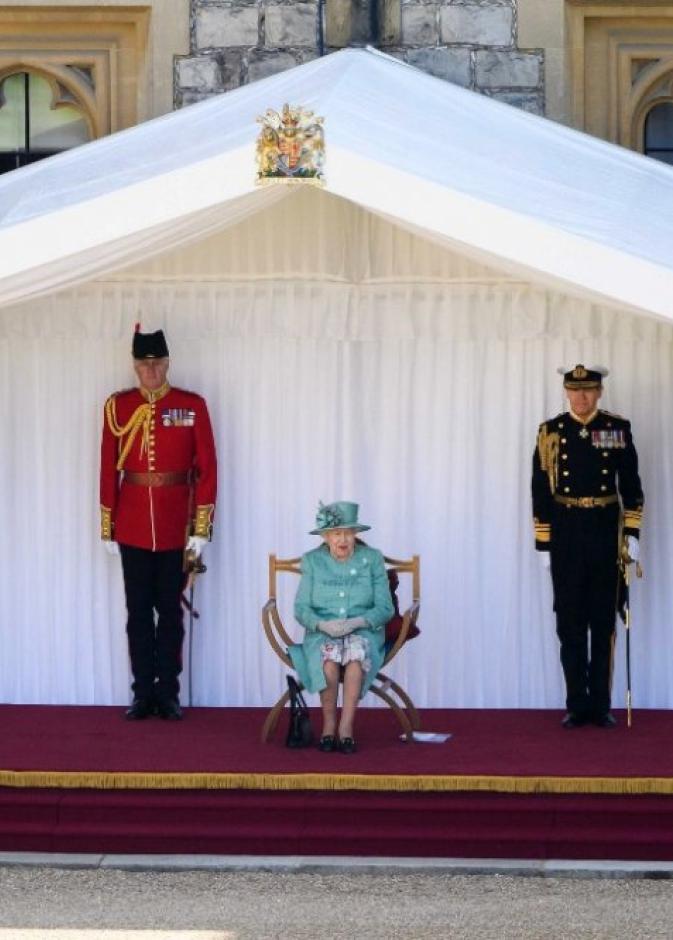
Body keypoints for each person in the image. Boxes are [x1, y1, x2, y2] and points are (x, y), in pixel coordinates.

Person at [100, 327, 217, 721]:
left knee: (170, 613)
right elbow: (106, 468)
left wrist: (201, 527)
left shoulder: (191, 406)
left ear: (167, 363)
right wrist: (108, 524)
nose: (150, 371)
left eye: (156, 363)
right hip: (132, 525)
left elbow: (207, 468)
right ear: (135, 367)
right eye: (143, 364)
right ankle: (141, 692)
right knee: (137, 614)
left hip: (173, 526)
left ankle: (168, 692)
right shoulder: (118, 407)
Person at [532, 364, 644, 729]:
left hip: (603, 528)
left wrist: (631, 534)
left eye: (589, 390)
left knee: (603, 621)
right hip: (565, 530)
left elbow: (631, 485)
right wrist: (544, 543)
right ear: (566, 392)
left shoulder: (615, 428)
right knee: (569, 622)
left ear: (599, 393)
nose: (581, 397)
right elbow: (540, 488)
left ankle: (601, 704)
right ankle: (576, 704)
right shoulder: (551, 432)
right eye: (575, 390)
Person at [290, 501, 394, 753]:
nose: (343, 539)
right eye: (337, 533)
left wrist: (358, 622)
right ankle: (328, 725)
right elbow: (301, 609)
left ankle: (346, 728)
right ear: (326, 536)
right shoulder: (312, 561)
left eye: (348, 532)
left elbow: (385, 608)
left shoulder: (372, 559)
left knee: (355, 659)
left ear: (356, 534)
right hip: (323, 631)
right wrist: (322, 624)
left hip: (363, 630)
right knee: (328, 660)